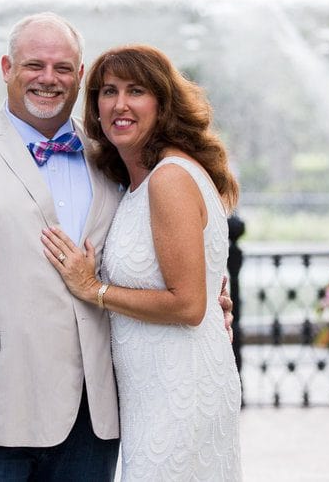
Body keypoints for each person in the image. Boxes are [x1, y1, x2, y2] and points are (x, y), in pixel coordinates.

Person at [0, 13, 232, 480]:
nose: (49, 79)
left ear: (80, 76)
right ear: (7, 67)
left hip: (94, 422)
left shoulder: (112, 158)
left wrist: (208, 304)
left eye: (63, 68)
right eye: (34, 65)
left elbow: (157, 262)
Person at [41, 44, 243, 481]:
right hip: (149, 392)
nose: (120, 104)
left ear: (162, 103)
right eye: (108, 92)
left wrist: (92, 288)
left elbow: (188, 306)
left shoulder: (169, 178)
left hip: (180, 388)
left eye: (136, 91)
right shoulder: (135, 182)